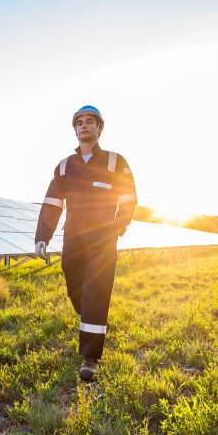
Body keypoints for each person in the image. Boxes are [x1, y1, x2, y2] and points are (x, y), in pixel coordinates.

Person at [34, 105, 137, 381]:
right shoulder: (65, 166)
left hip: (103, 238)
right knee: (75, 285)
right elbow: (52, 202)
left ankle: (90, 357)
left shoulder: (116, 162)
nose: (84, 125)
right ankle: (92, 317)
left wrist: (117, 228)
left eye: (90, 121)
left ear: (99, 127)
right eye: (79, 122)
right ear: (75, 128)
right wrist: (42, 236)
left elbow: (129, 200)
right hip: (74, 237)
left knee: (95, 291)